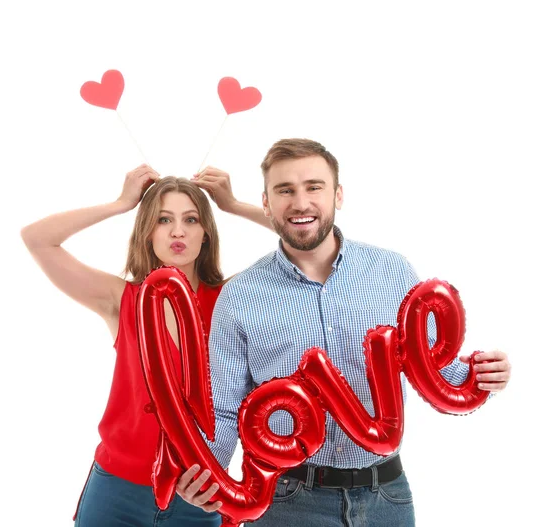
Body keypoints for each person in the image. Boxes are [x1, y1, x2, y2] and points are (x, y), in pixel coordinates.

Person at [176, 138, 512, 526]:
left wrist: (484, 373)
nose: (301, 202)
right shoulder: (240, 295)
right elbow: (225, 406)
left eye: (313, 187)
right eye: (285, 190)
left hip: (387, 496)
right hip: (289, 501)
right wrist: (206, 473)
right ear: (266, 203)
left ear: (337, 195)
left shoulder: (392, 271)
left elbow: (435, 367)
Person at [20, 164, 271, 527]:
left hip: (200, 492)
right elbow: (37, 238)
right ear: (147, 233)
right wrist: (120, 203)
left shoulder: (231, 300)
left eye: (192, 219)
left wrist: (233, 205)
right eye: (163, 220)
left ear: (206, 234)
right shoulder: (121, 299)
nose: (178, 231)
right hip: (115, 491)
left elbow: (303, 244)